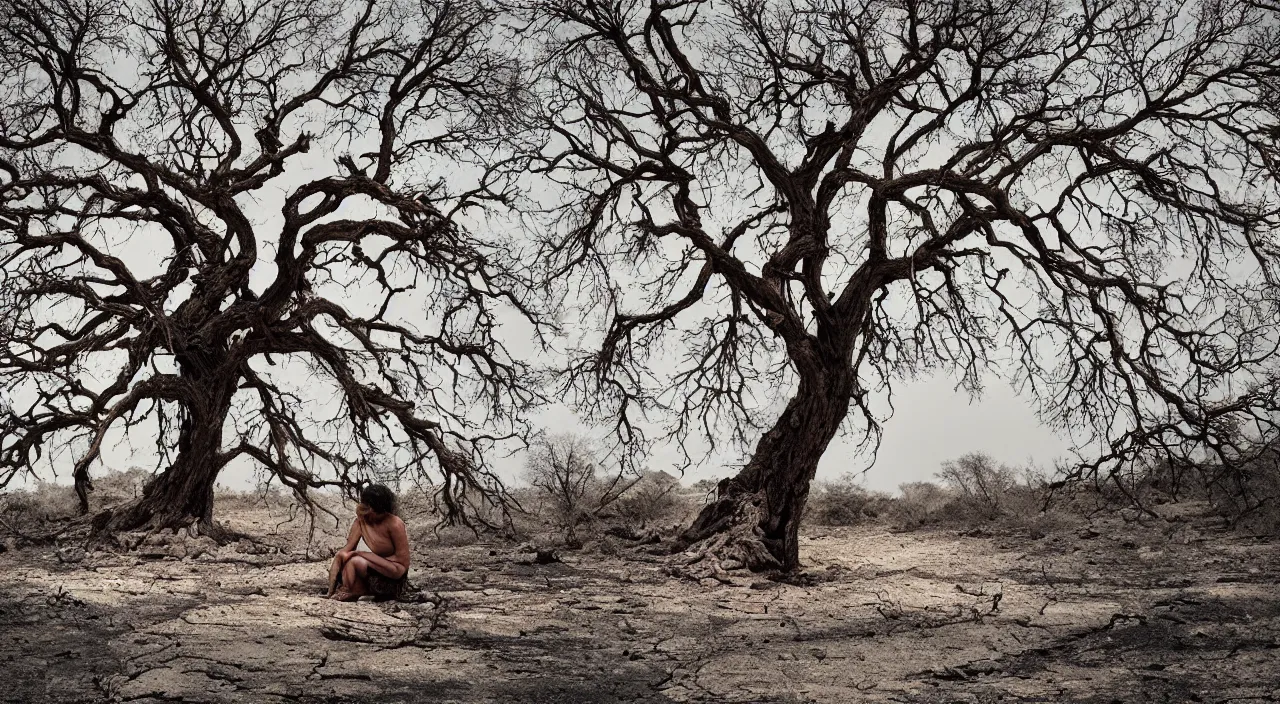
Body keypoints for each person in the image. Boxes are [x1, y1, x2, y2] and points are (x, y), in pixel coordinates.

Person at [326, 484, 411, 601]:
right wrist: (330, 590)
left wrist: (363, 554)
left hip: (394, 573)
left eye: (377, 513)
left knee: (356, 558)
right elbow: (345, 552)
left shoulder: (395, 523)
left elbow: (402, 565)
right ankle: (351, 589)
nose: (373, 516)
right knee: (350, 560)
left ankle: (355, 590)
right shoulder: (361, 521)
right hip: (375, 568)